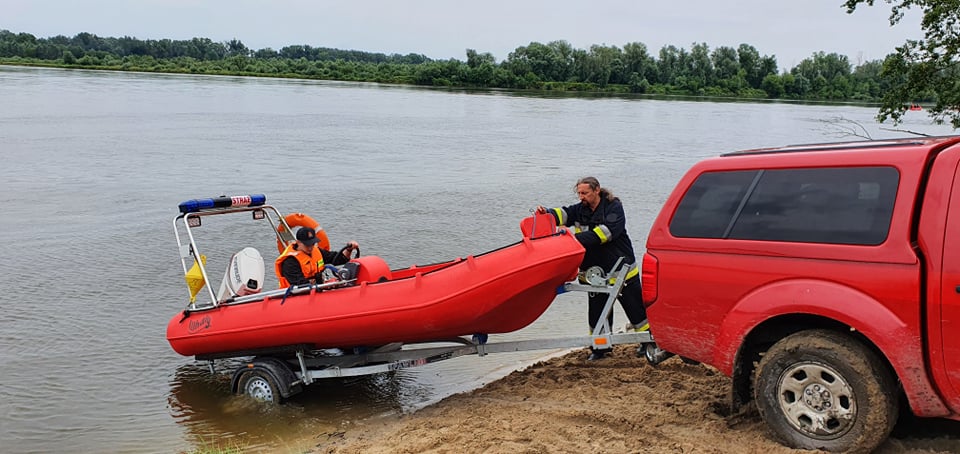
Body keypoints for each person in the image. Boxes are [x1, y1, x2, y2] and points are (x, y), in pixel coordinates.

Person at [537, 176, 648, 361]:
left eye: (585, 193)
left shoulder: (614, 207)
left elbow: (606, 233)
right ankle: (600, 348)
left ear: (597, 190)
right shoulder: (581, 208)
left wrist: (570, 240)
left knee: (636, 310)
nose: (581, 197)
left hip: (621, 270)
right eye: (579, 193)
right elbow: (564, 214)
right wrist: (546, 214)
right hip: (594, 273)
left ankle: (648, 342)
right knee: (597, 313)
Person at [274, 226, 359, 288]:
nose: (311, 247)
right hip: (294, 296)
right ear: (298, 242)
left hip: (316, 290)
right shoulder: (290, 261)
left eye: (312, 243)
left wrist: (349, 250)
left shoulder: (316, 251)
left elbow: (338, 259)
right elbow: (299, 284)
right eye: (307, 245)